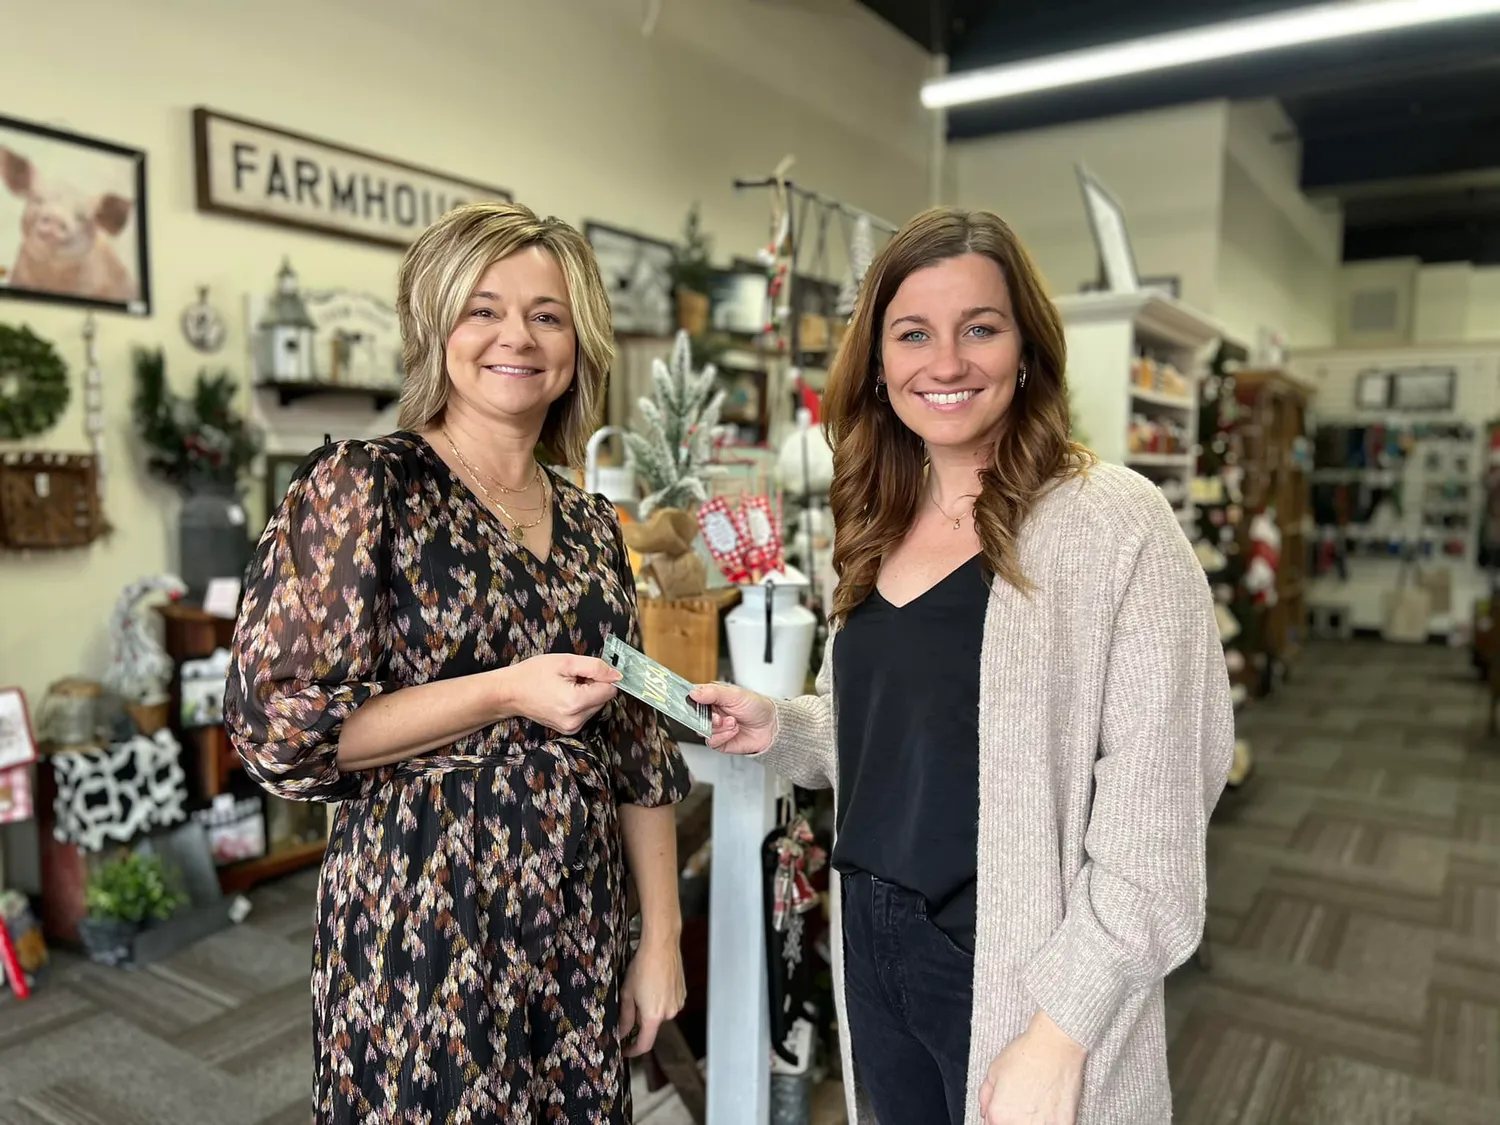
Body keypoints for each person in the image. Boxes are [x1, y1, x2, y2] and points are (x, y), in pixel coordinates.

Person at [693, 207, 1233, 1125]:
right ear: (877, 362)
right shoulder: (874, 520)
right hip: (870, 939)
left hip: (1018, 964)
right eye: (913, 333)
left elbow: (1159, 826)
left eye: (979, 328)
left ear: (1026, 348)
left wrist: (1061, 1030)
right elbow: (896, 730)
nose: (945, 363)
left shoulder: (1112, 524)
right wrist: (783, 726)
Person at [225, 201, 692, 1124]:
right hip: (422, 922)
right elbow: (280, 732)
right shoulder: (365, 487)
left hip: (576, 916)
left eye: (546, 314)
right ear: (434, 325)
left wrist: (662, 938)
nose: (515, 336)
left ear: (578, 341)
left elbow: (639, 749)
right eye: (482, 308)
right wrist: (505, 690)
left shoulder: (595, 526)